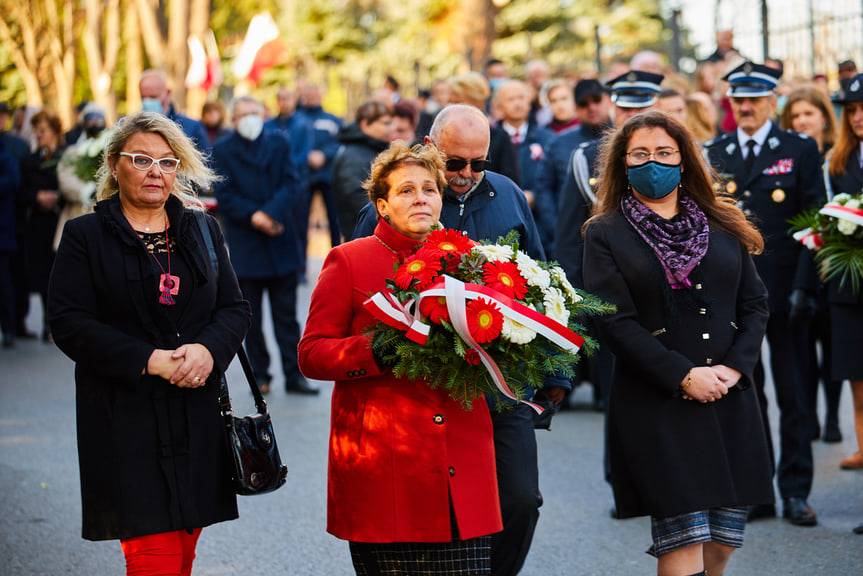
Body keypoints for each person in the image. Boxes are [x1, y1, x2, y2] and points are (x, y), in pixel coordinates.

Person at [352, 104, 568, 576]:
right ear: (430, 149)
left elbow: (544, 282)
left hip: (501, 381)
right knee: (444, 512)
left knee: (519, 500)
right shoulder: (397, 200)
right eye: (455, 163)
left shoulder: (509, 195)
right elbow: (362, 289)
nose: (467, 174)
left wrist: (554, 374)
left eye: (479, 163)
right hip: (426, 386)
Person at [47, 111, 252, 575]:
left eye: (167, 162)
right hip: (125, 417)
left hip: (196, 413)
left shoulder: (202, 229)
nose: (155, 172)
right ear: (114, 165)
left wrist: (207, 351)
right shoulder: (85, 236)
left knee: (182, 554)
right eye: (141, 160)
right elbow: (68, 322)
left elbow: (234, 308)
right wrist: (149, 360)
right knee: (152, 558)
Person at [583, 110, 773, 576]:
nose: (654, 163)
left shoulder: (723, 221)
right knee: (682, 538)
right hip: (660, 402)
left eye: (665, 153)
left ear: (684, 160)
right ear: (623, 165)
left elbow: (755, 305)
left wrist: (734, 368)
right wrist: (683, 375)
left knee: (723, 541)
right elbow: (615, 323)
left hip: (730, 396)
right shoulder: (605, 232)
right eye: (641, 154)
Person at [298, 142, 502, 574]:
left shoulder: (471, 261)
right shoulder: (348, 260)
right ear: (382, 205)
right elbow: (312, 355)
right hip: (385, 465)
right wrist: (375, 349)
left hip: (459, 461)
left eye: (429, 188)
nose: (421, 197)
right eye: (406, 190)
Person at [704, 61, 825, 527]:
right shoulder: (718, 152)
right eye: (740, 100)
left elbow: (814, 223)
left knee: (795, 395)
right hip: (736, 298)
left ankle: (796, 492)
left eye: (755, 99)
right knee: (748, 396)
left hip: (786, 290)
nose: (747, 107)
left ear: (773, 100)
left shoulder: (798, 149)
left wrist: (803, 287)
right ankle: (759, 492)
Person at [556, 69, 664, 495]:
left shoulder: (676, 155)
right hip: (612, 294)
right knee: (619, 394)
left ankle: (670, 481)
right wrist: (576, 298)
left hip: (668, 291)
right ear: (613, 110)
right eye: (626, 107)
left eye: (642, 106)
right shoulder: (588, 158)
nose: (634, 114)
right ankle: (625, 484)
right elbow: (570, 232)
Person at [212, 96, 315, 396]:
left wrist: (272, 213)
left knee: (287, 316)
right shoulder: (223, 150)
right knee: (251, 318)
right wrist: (255, 216)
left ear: (264, 114)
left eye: (254, 112)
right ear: (233, 120)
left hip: (280, 236)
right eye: (242, 114)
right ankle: (260, 375)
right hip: (247, 242)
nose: (249, 119)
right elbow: (224, 194)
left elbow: (291, 183)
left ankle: (294, 375)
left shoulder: (279, 144)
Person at [780, 86, 842, 443]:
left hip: (831, 265)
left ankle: (833, 417)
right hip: (799, 267)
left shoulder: (837, 157)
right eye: (796, 115)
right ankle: (810, 416)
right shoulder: (787, 158)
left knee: (833, 347)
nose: (802, 121)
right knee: (801, 348)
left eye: (809, 114)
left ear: (823, 117)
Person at [826, 74, 863, 480]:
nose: (857, 117)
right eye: (851, 110)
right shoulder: (836, 162)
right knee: (858, 378)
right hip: (850, 286)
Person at [533, 79, 611, 259]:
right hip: (570, 237)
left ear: (608, 100)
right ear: (576, 107)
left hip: (612, 234)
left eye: (596, 100)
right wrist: (557, 228)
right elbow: (544, 188)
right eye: (584, 103)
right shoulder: (558, 143)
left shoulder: (622, 138)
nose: (591, 107)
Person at [22, 110, 65, 343]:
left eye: (43, 131)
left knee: (58, 275)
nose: (39, 136)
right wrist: (37, 196)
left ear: (54, 131)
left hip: (59, 222)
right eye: (36, 131)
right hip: (38, 224)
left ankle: (56, 322)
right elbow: (23, 190)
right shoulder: (31, 160)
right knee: (41, 274)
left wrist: (58, 196)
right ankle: (46, 322)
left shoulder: (67, 156)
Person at [493, 80, 552, 243]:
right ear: (499, 106)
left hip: (541, 221)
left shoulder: (547, 138)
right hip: (502, 219)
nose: (517, 103)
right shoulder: (490, 140)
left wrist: (535, 194)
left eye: (521, 98)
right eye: (511, 99)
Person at [264, 87, 316, 261]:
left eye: (287, 98)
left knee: (299, 224)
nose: (283, 102)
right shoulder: (269, 125)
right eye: (280, 98)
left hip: (298, 183)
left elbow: (304, 153)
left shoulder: (303, 124)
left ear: (294, 100)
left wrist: (286, 167)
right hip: (273, 184)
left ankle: (300, 264)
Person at [332, 101, 393, 238]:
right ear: (365, 124)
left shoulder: (374, 150)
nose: (391, 128)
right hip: (361, 234)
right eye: (385, 123)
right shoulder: (353, 155)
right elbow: (356, 197)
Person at [447, 72, 519, 183]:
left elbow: (509, 181)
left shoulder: (499, 137)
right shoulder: (444, 135)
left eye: (457, 102)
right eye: (450, 102)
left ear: (476, 102)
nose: (450, 107)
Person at [297, 82, 344, 248]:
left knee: (334, 220)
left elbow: (340, 142)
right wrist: (306, 156)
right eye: (308, 93)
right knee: (301, 221)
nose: (312, 97)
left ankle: (337, 255)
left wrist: (324, 154)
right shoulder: (297, 119)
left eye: (315, 93)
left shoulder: (332, 120)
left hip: (328, 176)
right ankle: (300, 268)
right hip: (304, 176)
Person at [56, 106, 107, 251]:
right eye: (91, 119)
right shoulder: (73, 151)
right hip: (77, 213)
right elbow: (65, 178)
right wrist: (84, 190)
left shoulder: (111, 150)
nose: (95, 123)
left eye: (99, 119)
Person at [139, 69, 209, 151]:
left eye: (153, 97)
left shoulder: (192, 128)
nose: (147, 102)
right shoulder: (132, 127)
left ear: (168, 93)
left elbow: (204, 161)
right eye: (143, 97)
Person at [0, 140, 20, 348]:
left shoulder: (6, 155)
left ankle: (9, 329)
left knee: (4, 283)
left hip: (2, 231)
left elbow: (12, 180)